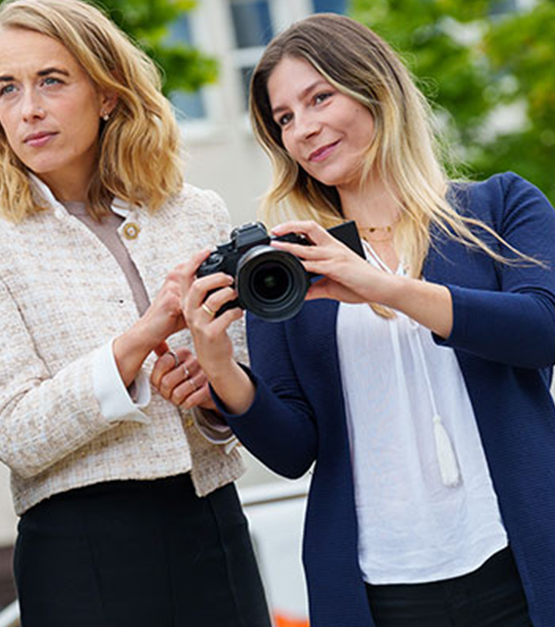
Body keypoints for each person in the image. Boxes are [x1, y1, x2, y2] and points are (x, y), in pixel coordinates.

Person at [174, 13, 555, 627]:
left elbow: (542, 330)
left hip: (522, 558)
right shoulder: (287, 268)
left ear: (375, 88)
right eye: (284, 119)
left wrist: (384, 286)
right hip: (380, 591)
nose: (304, 129)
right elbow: (292, 450)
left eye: (319, 97)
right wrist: (220, 368)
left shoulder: (500, 207)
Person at [0, 1, 271, 624]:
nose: (28, 109)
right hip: (80, 550)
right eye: (8, 89)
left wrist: (210, 393)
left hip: (213, 525)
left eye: (51, 81)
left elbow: (247, 383)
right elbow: (14, 433)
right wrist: (139, 340)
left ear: (107, 94)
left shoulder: (195, 212)